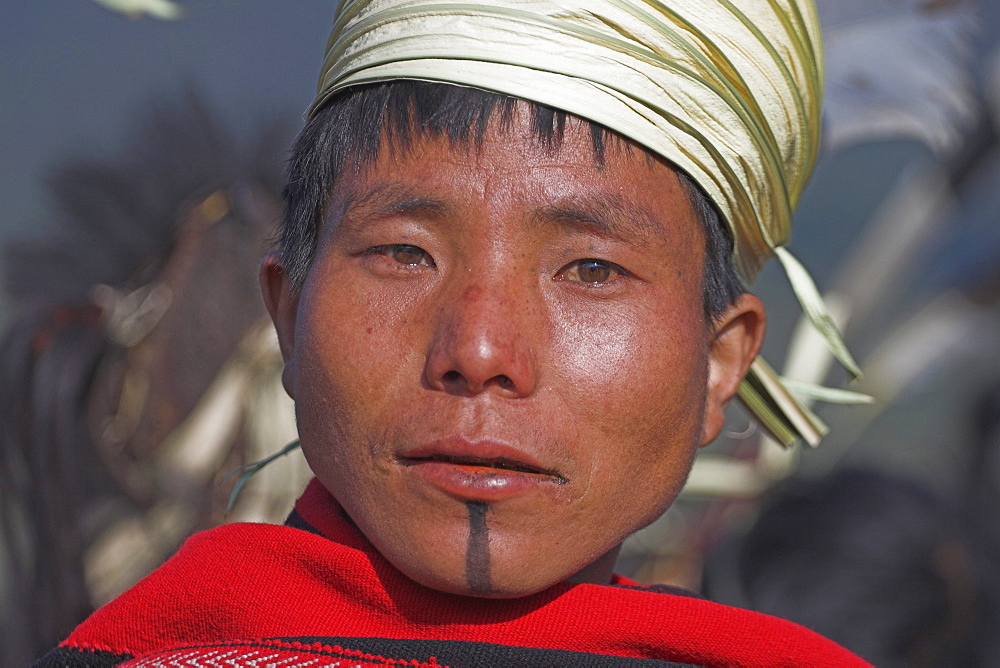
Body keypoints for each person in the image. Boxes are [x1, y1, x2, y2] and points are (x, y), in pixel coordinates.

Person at [36, 0, 867, 665]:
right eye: (404, 253)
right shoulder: (156, 650)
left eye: (591, 271)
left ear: (720, 365)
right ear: (288, 315)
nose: (478, 353)